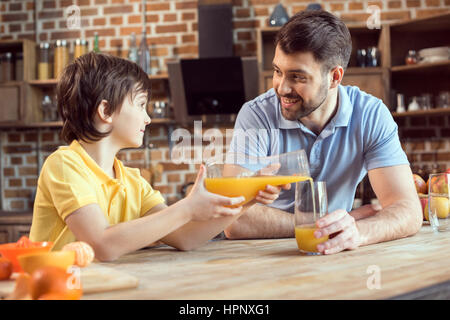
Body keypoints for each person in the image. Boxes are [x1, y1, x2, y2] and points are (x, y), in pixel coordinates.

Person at [29, 52, 284, 261]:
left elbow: (185, 237)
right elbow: (102, 244)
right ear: (105, 110)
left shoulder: (133, 181)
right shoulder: (65, 165)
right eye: (140, 104)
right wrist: (186, 208)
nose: (148, 117)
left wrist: (250, 197)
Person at [224, 10, 422, 254]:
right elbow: (233, 219)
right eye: (277, 71)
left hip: (335, 252)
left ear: (334, 77)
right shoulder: (256, 115)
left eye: (297, 77)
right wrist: (334, 222)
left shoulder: (370, 114)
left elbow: (407, 210)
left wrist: (357, 232)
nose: (281, 87)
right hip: (258, 255)